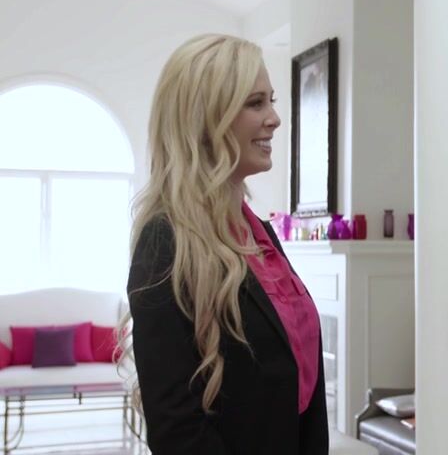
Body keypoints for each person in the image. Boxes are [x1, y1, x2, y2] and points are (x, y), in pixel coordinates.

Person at [124, 34, 329, 454]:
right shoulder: (165, 241)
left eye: (271, 101)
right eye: (256, 103)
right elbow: (177, 429)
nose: (275, 118)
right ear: (205, 119)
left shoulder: (260, 234)